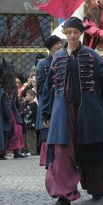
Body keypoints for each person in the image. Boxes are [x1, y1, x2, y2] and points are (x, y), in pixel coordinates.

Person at [42, 17, 103, 205]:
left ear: (81, 34)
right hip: (63, 114)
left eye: (75, 32)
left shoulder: (90, 55)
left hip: (88, 113)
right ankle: (64, 195)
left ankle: (96, 186)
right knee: (62, 152)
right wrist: (46, 113)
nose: (71, 35)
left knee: (92, 151)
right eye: (68, 32)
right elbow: (48, 88)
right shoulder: (58, 58)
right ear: (65, 33)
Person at [35, 35, 62, 166]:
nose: (60, 46)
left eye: (60, 43)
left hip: (61, 101)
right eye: (57, 44)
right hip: (47, 102)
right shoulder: (42, 64)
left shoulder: (63, 60)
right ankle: (47, 160)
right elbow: (40, 87)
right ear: (51, 47)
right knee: (47, 133)